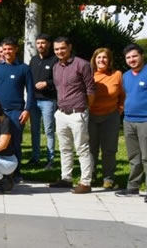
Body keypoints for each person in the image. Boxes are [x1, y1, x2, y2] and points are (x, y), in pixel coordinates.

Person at [48, 37, 95, 194]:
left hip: (78, 113)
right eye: (56, 49)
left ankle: (86, 182)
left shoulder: (82, 64)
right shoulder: (56, 67)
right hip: (61, 113)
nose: (59, 51)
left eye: (62, 48)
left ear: (70, 47)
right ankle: (66, 179)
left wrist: (86, 108)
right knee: (64, 148)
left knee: (82, 148)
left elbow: (90, 90)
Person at [0, 37, 33, 179]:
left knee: (15, 142)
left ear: (16, 50)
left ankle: (16, 173)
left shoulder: (24, 68)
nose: (7, 52)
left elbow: (31, 91)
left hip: (16, 112)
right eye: (4, 49)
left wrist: (27, 110)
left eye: (10, 49)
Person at [89, 47, 124, 189]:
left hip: (111, 116)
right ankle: (90, 176)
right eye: (99, 57)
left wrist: (120, 109)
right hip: (91, 116)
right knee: (91, 149)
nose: (101, 60)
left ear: (109, 60)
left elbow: (123, 95)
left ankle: (108, 178)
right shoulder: (89, 74)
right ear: (94, 60)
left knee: (109, 149)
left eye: (104, 57)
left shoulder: (117, 74)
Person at [117, 44, 147, 201]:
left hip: (145, 121)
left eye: (134, 56)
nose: (132, 59)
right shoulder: (126, 75)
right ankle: (133, 187)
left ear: (141, 55)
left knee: (146, 157)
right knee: (134, 157)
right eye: (128, 57)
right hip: (129, 120)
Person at [28, 33, 58, 169]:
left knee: (49, 130)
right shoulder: (33, 60)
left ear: (48, 44)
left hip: (48, 100)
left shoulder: (54, 60)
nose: (40, 45)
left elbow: (59, 79)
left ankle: (50, 160)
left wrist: (47, 83)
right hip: (34, 100)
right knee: (35, 130)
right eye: (38, 43)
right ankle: (35, 158)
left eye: (43, 43)